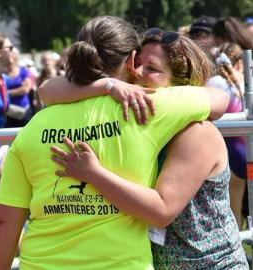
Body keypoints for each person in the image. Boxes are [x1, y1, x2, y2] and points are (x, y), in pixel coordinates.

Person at [0, 16, 228, 270]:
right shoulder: (150, 106)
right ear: (131, 60)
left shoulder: (33, 128)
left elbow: (4, 221)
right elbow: (219, 99)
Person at [47, 29, 248, 269]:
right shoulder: (137, 115)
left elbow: (161, 210)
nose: (138, 72)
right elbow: (47, 90)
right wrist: (109, 85)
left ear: (181, 83)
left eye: (152, 69)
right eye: (137, 63)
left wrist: (92, 173)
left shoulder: (196, 131)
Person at [208, 43, 246, 229]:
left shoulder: (215, 82)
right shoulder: (242, 81)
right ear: (238, 62)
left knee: (232, 209)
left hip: (227, 155)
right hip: (247, 154)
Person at [5, 47, 33, 127]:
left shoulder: (23, 71)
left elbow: (26, 89)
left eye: (13, 53)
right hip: (7, 112)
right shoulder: (2, 72)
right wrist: (19, 90)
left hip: (24, 111)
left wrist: (7, 92)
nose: (10, 55)